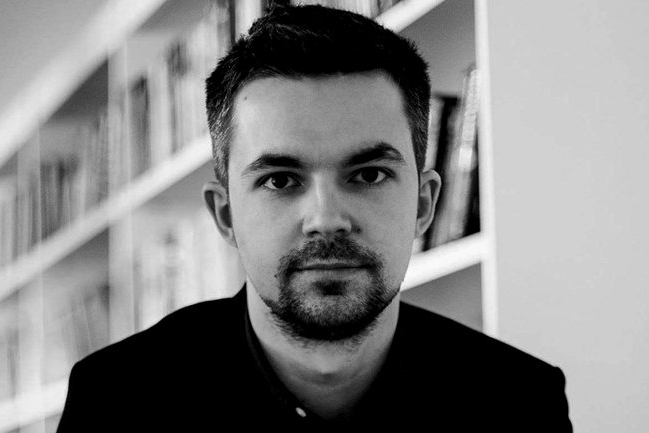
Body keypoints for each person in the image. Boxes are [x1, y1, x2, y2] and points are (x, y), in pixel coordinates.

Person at [57, 4, 572, 431]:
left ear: (423, 203)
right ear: (225, 214)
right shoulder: (116, 403)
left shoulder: (520, 403)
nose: (326, 219)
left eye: (368, 174)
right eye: (281, 180)